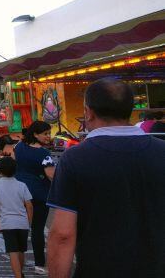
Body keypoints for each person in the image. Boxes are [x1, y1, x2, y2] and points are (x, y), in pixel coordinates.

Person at [48, 79, 165, 277]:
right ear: (130, 110)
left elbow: (63, 235)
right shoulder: (161, 151)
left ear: (88, 112)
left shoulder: (76, 158)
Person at [13, 120, 54, 275]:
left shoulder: (19, 147)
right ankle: (39, 264)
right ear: (36, 134)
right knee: (37, 229)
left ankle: (18, 261)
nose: (48, 136)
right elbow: (51, 175)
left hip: (19, 192)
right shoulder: (44, 154)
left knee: (20, 227)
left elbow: (13, 162)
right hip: (39, 194)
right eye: (45, 134)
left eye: (49, 133)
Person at [0, 157, 33, 278]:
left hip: (7, 223)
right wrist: (28, 221)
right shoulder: (22, 185)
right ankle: (21, 273)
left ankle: (18, 276)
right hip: (22, 223)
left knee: (12, 251)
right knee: (21, 250)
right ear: (15, 170)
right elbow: (29, 205)